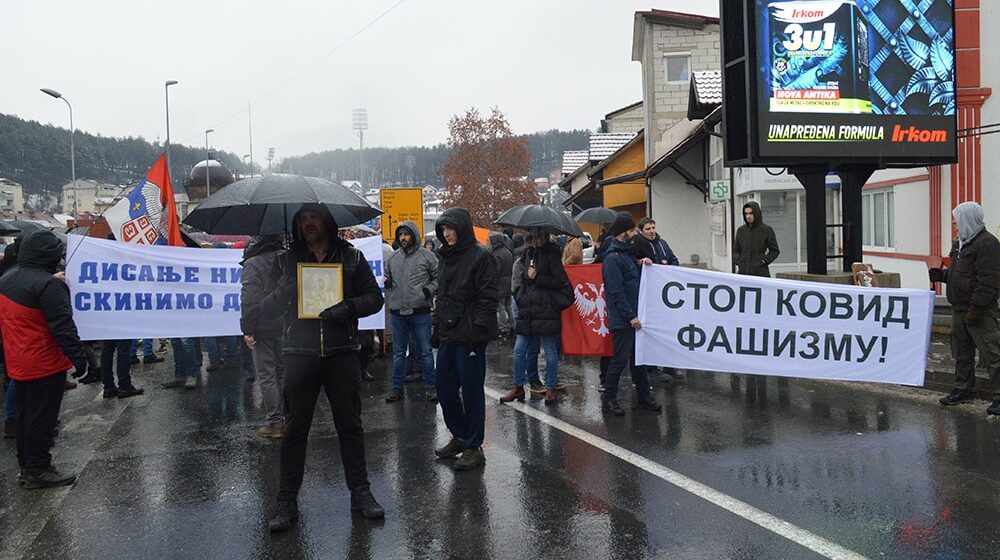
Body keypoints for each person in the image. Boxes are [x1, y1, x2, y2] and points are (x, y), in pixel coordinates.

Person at [261, 204, 385, 532]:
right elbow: (266, 308)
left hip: (341, 352)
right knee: (294, 429)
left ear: (326, 220)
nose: (308, 224)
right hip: (299, 354)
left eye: (313, 217)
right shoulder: (285, 261)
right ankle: (286, 500)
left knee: (350, 425)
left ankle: (361, 493)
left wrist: (347, 307)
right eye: (302, 219)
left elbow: (375, 298)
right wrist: (287, 288)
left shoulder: (351, 257)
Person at [0, 230, 88, 488]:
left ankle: (27, 465)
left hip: (18, 359)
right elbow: (63, 325)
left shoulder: (8, 278)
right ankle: (39, 469)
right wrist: (80, 358)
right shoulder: (48, 285)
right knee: (43, 418)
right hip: (44, 362)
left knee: (25, 417)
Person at [431, 208, 498, 470]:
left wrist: (479, 331)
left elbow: (488, 297)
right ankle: (460, 435)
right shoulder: (445, 256)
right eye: (443, 229)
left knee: (471, 393)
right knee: (444, 389)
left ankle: (473, 446)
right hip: (448, 332)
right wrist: (436, 327)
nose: (446, 234)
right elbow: (442, 294)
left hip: (470, 334)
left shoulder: (481, 256)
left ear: (461, 227)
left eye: (450, 228)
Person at [929, 202, 1000, 414]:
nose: (954, 223)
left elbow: (989, 280)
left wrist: (977, 310)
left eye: (957, 219)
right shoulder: (960, 243)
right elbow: (960, 274)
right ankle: (963, 389)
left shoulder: (988, 244)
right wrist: (942, 276)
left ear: (968, 219)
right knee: (961, 352)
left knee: (992, 352)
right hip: (959, 308)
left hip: (981, 310)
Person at [501, 227, 573, 405]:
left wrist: (538, 276)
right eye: (532, 236)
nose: (535, 239)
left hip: (546, 309)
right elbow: (523, 279)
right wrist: (520, 294)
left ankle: (550, 389)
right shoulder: (528, 254)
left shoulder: (552, 255)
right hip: (528, 308)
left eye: (538, 236)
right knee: (519, 350)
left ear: (545, 236)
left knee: (549, 350)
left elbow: (560, 282)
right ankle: (517, 387)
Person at [600, 213, 661, 416]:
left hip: (633, 316)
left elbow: (631, 278)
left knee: (639, 359)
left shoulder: (625, 255)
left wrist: (642, 262)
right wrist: (630, 316)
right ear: (622, 233)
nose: (635, 233)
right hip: (624, 319)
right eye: (631, 230)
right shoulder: (612, 259)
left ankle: (644, 397)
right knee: (619, 360)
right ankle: (609, 399)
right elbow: (616, 292)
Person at [384, 221, 439, 403]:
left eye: (406, 234)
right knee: (399, 353)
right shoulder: (393, 258)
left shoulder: (428, 256)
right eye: (400, 235)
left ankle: (431, 387)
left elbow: (439, 278)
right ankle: (397, 388)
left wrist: (428, 290)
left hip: (420, 311)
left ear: (413, 235)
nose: (403, 238)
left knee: (425, 351)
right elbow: (388, 278)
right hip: (398, 311)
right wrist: (387, 282)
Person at [238, 235, 287, 437]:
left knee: (266, 375)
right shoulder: (286, 257)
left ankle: (275, 422)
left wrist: (248, 329)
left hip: (263, 325)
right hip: (286, 323)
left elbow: (249, 298)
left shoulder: (253, 263)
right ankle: (287, 415)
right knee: (283, 372)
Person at [632, 218, 684, 381]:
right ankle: (651, 368)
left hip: (665, 296)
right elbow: (633, 265)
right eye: (648, 228)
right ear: (641, 230)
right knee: (651, 330)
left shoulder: (662, 244)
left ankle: (669, 365)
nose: (652, 231)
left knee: (667, 329)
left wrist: (669, 269)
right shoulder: (638, 245)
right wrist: (641, 263)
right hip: (648, 296)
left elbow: (674, 260)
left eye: (653, 227)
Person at [733, 201, 779, 277]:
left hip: (760, 273)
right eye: (746, 214)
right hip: (743, 273)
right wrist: (739, 261)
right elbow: (736, 250)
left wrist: (764, 261)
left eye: (751, 213)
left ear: (756, 213)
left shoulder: (767, 230)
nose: (748, 216)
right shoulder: (741, 230)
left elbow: (774, 251)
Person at [489, 232, 515, 337]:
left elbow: (497, 270)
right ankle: (513, 326)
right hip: (509, 282)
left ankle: (503, 328)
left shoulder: (496, 254)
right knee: (508, 306)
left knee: (500, 307)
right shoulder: (508, 251)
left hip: (500, 284)